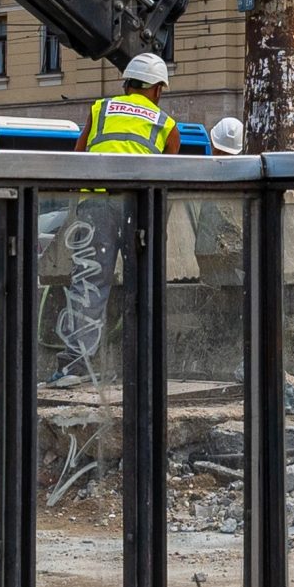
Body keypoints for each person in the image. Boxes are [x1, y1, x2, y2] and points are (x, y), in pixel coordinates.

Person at [54, 52, 179, 382]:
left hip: (96, 206)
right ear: (158, 90)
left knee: (89, 283)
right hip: (139, 209)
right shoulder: (167, 125)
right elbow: (168, 180)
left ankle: (74, 367)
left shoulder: (101, 109)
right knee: (145, 284)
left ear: (126, 85)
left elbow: (78, 158)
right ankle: (144, 365)